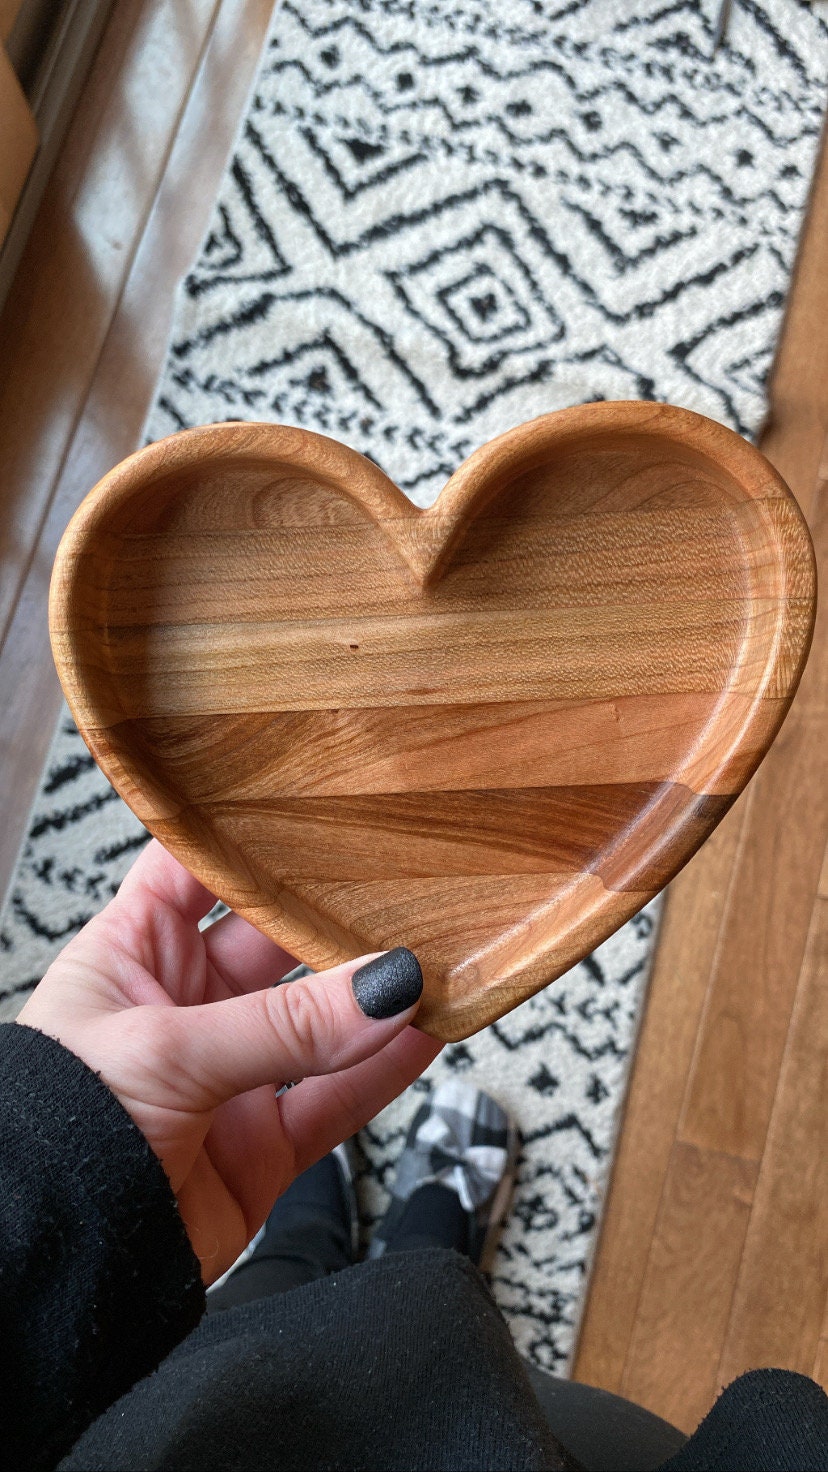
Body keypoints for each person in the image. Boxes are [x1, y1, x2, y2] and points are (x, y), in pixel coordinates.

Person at [1, 840, 826, 1471]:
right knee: (433, 1332)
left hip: (166, 1409)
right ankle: (430, 1240)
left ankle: (306, 1245)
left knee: (268, 1287)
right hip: (460, 1439)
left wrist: (69, 1170)